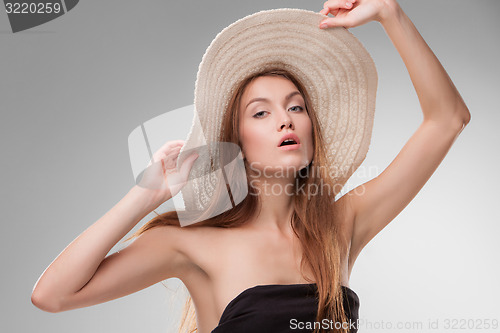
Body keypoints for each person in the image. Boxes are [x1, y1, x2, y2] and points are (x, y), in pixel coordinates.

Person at [31, 1, 471, 333]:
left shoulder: (341, 225)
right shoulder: (192, 245)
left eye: (296, 107)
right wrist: (144, 196)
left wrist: (391, 14)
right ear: (235, 144)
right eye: (261, 113)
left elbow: (449, 120)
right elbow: (52, 295)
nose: (286, 119)